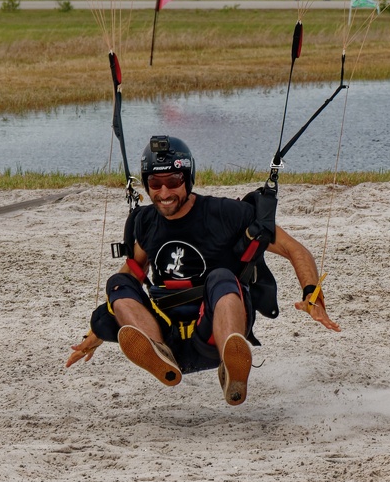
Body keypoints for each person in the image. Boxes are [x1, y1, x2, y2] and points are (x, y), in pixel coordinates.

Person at [66, 135, 339, 405]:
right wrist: (99, 328)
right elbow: (132, 273)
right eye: (155, 183)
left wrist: (311, 294)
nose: (164, 193)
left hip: (211, 332)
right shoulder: (146, 222)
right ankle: (157, 353)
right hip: (166, 335)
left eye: (173, 182)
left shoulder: (226, 214)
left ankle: (231, 364)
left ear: (188, 177)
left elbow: (296, 250)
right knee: (118, 280)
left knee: (221, 277)